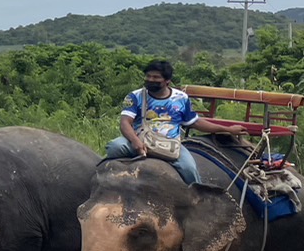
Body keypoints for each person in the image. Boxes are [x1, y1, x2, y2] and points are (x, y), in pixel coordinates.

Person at [104, 60, 250, 185]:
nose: (151, 80)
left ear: (167, 80)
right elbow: (125, 122)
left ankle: (197, 199)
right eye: (148, 76)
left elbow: (195, 122)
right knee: (114, 146)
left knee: (189, 168)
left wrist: (228, 129)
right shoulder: (135, 96)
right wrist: (135, 141)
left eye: (156, 77)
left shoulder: (181, 98)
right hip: (140, 140)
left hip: (169, 144)